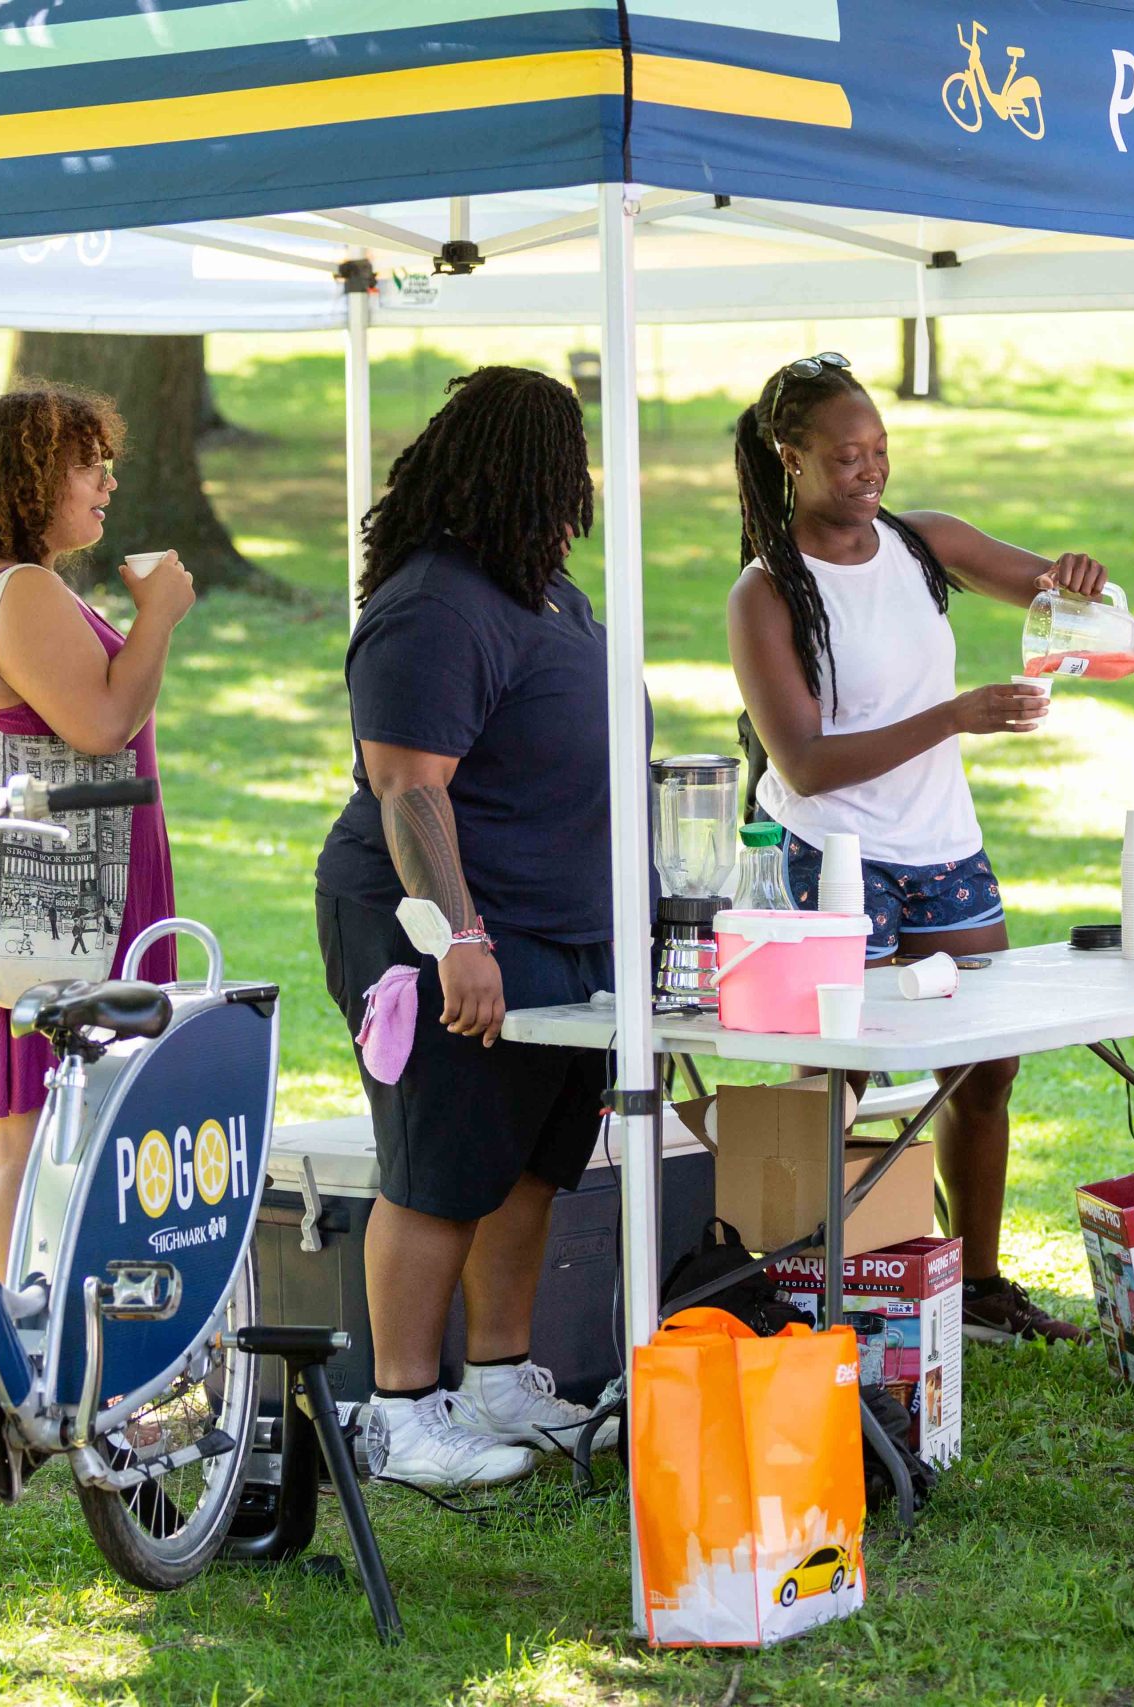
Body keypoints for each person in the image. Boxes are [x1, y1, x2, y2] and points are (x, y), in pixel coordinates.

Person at [727, 350, 1099, 1345]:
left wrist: (1074, 581)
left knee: (986, 1067)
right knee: (839, 1077)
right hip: (828, 852)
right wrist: (957, 715)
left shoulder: (922, 544)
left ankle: (976, 1286)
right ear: (790, 457)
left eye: (880, 450)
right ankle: (813, 1295)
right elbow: (802, 763)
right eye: (846, 455)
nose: (870, 470)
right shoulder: (767, 592)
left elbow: (1054, 597)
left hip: (942, 847)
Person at [315, 366, 629, 1490]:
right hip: (442, 931)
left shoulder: (551, 594)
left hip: (560, 937)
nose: (579, 487)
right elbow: (408, 789)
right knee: (438, 1167)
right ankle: (401, 1415)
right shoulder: (436, 603)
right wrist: (458, 937)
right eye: (565, 461)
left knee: (530, 1169)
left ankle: (499, 1378)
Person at [0, 384, 190, 1281]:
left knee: (13, 1135)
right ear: (32, 479)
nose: (107, 479)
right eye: (86, 463)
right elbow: (104, 726)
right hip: (58, 902)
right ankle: (24, 1361)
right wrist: (158, 616)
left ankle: (16, 1362)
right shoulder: (23, 590)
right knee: (33, 1140)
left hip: (34, 896)